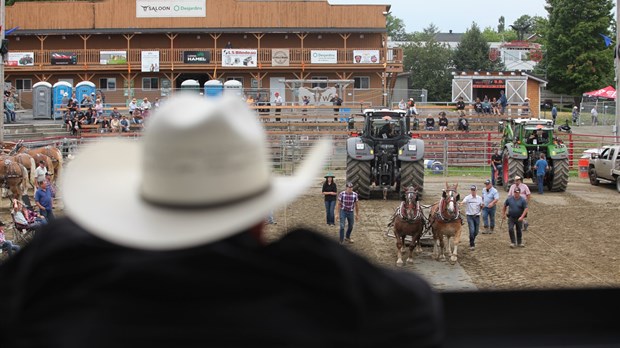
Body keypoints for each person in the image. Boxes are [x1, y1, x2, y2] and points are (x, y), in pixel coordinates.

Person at [0, 94, 443, 347]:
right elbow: (417, 309)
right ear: (256, 216)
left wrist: (74, 240)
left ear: (139, 207)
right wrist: (312, 254)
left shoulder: (62, 271)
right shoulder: (312, 280)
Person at [462, 185, 483, 251]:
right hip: (470, 216)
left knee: (476, 231)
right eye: (472, 190)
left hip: (477, 216)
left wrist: (482, 206)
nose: (473, 192)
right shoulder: (468, 198)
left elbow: (482, 205)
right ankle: (472, 244)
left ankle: (472, 238)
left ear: (476, 191)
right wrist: (461, 203)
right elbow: (464, 201)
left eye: (474, 190)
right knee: (472, 230)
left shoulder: (479, 198)